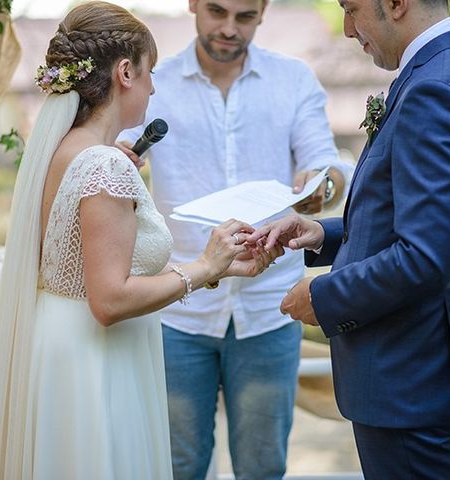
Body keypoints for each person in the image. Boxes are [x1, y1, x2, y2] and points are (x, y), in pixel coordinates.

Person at [0, 2, 281, 479]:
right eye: (150, 71)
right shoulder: (104, 165)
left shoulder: (64, 150)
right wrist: (203, 266)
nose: (155, 85)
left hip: (63, 349)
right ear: (125, 72)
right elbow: (110, 299)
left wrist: (218, 268)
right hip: (97, 363)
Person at [249, 0, 450, 478]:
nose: (349, 29)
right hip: (419, 374)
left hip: (409, 377)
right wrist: (320, 235)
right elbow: (413, 221)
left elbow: (424, 258)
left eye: (352, 9)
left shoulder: (436, 89)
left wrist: (324, 296)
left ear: (395, 3)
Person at [117, 1, 353, 478]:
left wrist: (321, 187)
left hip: (269, 307)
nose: (228, 28)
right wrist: (119, 158)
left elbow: (330, 166)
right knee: (178, 465)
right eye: (217, 11)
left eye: (244, 16)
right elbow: (112, 148)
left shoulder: (294, 79)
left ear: (264, 10)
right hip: (177, 309)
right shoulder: (151, 82)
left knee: (263, 466)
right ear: (192, 5)